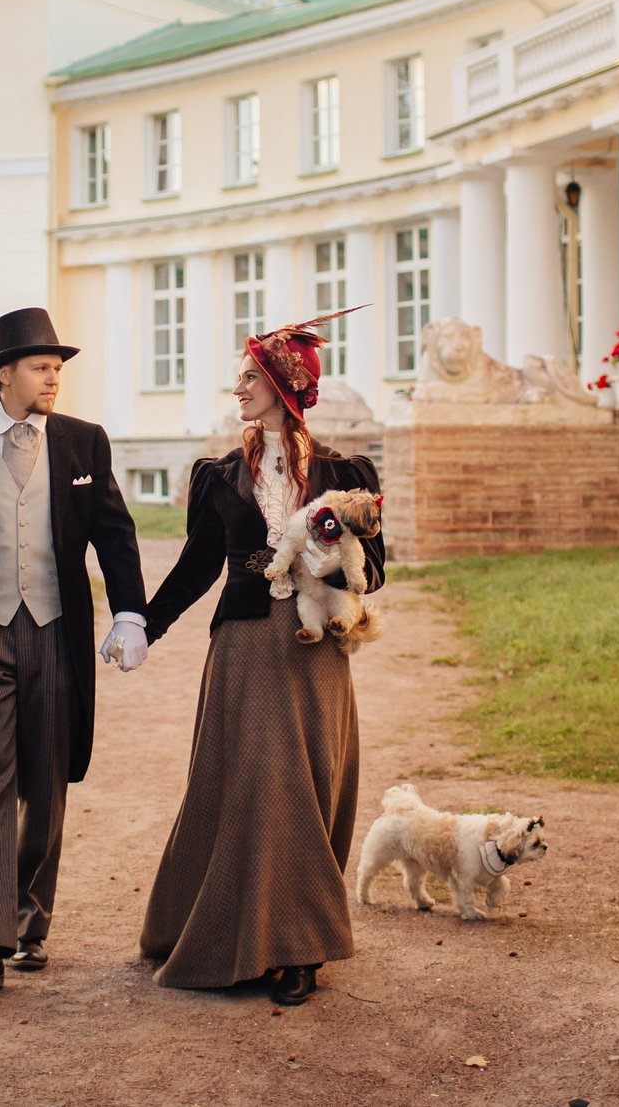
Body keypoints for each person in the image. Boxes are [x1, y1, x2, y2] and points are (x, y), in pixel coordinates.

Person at [136, 312, 384, 1007]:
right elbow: (196, 568)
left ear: (285, 385)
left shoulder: (345, 474)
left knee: (306, 785)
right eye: (239, 378)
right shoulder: (218, 476)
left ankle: (300, 943)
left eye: (250, 377)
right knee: (246, 785)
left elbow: (375, 571)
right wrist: (143, 625)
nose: (239, 388)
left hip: (314, 652)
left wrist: (325, 561)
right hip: (244, 648)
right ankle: (231, 932)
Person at [0, 307, 149, 994]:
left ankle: (29, 923)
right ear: (5, 374)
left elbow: (115, 534)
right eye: (42, 367)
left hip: (55, 630)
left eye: (57, 369)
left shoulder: (83, 442)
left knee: (45, 785)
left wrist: (130, 613)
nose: (53, 379)